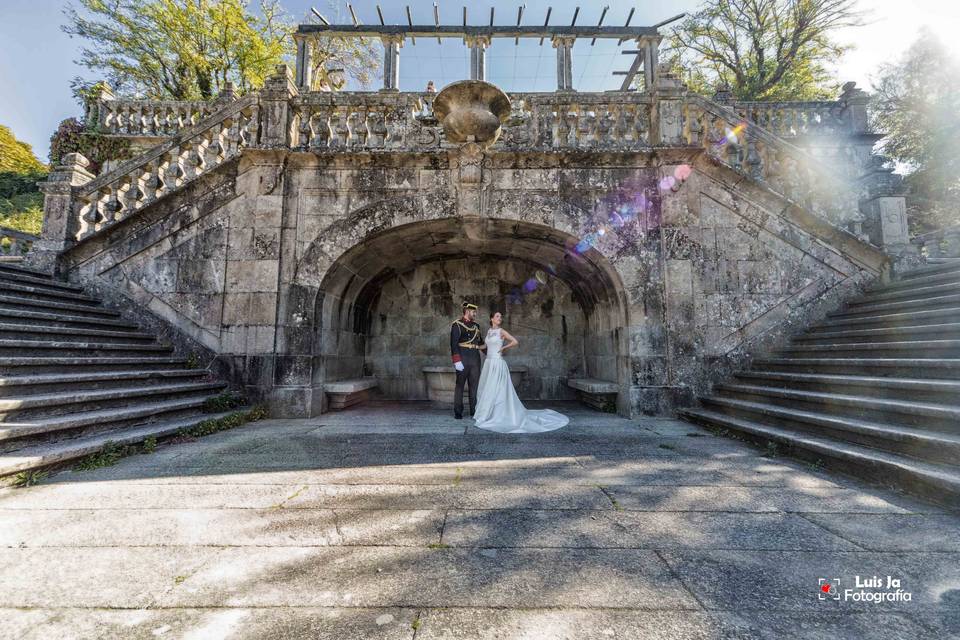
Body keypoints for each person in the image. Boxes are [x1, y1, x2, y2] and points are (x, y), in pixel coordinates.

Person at [472, 311, 569, 434]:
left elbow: (515, 341)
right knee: (487, 388)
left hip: (497, 363)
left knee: (497, 389)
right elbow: (485, 346)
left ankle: (498, 414)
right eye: (497, 316)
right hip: (488, 363)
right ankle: (487, 413)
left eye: (500, 317)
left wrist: (503, 348)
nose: (499, 318)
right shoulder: (489, 331)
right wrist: (473, 346)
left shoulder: (501, 331)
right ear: (491, 319)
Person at [450, 301, 485, 419]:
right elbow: (454, 344)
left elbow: (481, 343)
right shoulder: (457, 325)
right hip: (463, 357)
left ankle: (474, 410)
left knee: (474, 385)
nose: (475, 314)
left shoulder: (477, 326)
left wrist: (492, 352)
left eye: (475, 311)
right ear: (467, 311)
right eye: (473, 311)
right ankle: (458, 411)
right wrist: (456, 360)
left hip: (475, 358)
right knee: (460, 385)